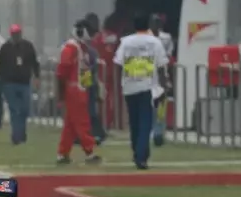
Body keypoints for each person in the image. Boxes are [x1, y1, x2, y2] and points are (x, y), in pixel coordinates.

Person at [113, 13, 170, 170]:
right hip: (148, 87)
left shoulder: (126, 42)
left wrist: (119, 83)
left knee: (134, 122)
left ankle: (137, 150)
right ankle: (141, 155)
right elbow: (161, 66)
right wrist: (164, 86)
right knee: (146, 123)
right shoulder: (155, 42)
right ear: (148, 26)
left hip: (129, 87)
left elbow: (117, 63)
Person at [57, 20, 102, 165]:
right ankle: (89, 151)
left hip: (80, 87)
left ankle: (63, 153)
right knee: (82, 122)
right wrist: (61, 91)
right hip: (74, 89)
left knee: (70, 125)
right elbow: (62, 71)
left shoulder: (81, 48)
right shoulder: (71, 48)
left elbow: (84, 70)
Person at [0, 24, 40, 145]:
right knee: (15, 110)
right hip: (10, 84)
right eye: (14, 34)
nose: (16, 36)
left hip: (25, 83)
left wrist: (37, 77)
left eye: (18, 34)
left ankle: (21, 133)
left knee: (25, 110)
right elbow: (0, 65)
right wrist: (3, 80)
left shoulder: (28, 46)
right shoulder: (5, 48)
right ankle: (17, 137)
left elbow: (34, 63)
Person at [88, 12, 119, 135]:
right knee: (94, 101)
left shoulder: (101, 38)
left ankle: (102, 127)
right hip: (95, 76)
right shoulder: (90, 40)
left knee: (103, 101)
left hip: (102, 76)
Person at [149, 14, 175, 147]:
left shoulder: (166, 38)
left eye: (157, 23)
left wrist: (167, 78)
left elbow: (169, 57)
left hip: (160, 74)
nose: (156, 26)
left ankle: (158, 134)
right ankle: (151, 132)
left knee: (160, 106)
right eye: (153, 23)